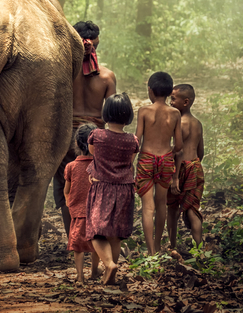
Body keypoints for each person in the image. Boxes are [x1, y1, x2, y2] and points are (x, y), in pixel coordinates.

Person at [52, 20, 117, 239]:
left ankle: (74, 238)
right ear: (94, 44)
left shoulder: (62, 74)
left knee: (67, 186)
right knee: (96, 187)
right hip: (95, 138)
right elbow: (111, 115)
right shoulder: (107, 77)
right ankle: (95, 237)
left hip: (65, 137)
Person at [85, 93, 139, 286]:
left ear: (106, 112)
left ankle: (109, 264)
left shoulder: (97, 135)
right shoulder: (133, 140)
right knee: (115, 234)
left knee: (95, 231)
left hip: (102, 187)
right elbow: (130, 161)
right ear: (128, 115)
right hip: (125, 189)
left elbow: (93, 154)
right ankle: (112, 267)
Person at [134, 71, 184, 255]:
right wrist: (167, 152)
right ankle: (157, 244)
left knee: (148, 207)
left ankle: (150, 252)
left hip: (146, 159)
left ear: (150, 90)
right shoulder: (175, 113)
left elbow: (137, 140)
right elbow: (179, 145)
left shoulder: (144, 111)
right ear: (170, 91)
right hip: (165, 160)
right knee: (161, 203)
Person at [167, 83, 205, 249]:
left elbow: (177, 151)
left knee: (173, 209)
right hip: (195, 167)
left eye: (173, 99)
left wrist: (174, 176)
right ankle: (199, 248)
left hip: (180, 169)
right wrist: (194, 166)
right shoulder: (197, 123)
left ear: (186, 102)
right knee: (192, 209)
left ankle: (172, 246)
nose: (170, 102)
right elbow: (201, 151)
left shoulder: (179, 124)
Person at [63, 124, 102, 283]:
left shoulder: (71, 166)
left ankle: (79, 276)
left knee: (77, 247)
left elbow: (66, 190)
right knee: (97, 245)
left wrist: (69, 203)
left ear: (77, 144)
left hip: (78, 213)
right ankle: (94, 271)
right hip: (97, 213)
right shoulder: (99, 166)